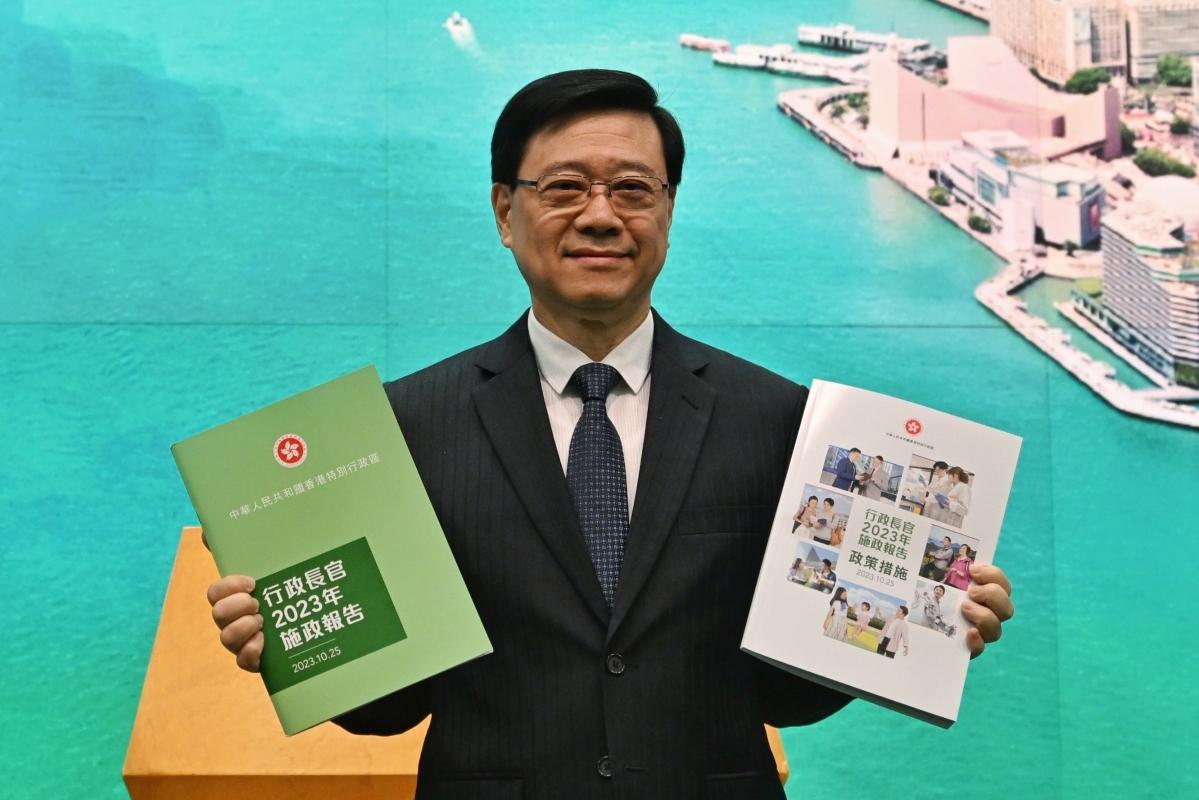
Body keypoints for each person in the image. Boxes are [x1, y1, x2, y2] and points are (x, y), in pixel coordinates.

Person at [204, 69, 1014, 800]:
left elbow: (784, 697)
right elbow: (393, 706)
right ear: (504, 212)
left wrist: (922, 621)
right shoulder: (404, 426)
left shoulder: (780, 421)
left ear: (668, 211)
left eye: (632, 188)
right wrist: (287, 642)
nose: (599, 215)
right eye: (563, 187)